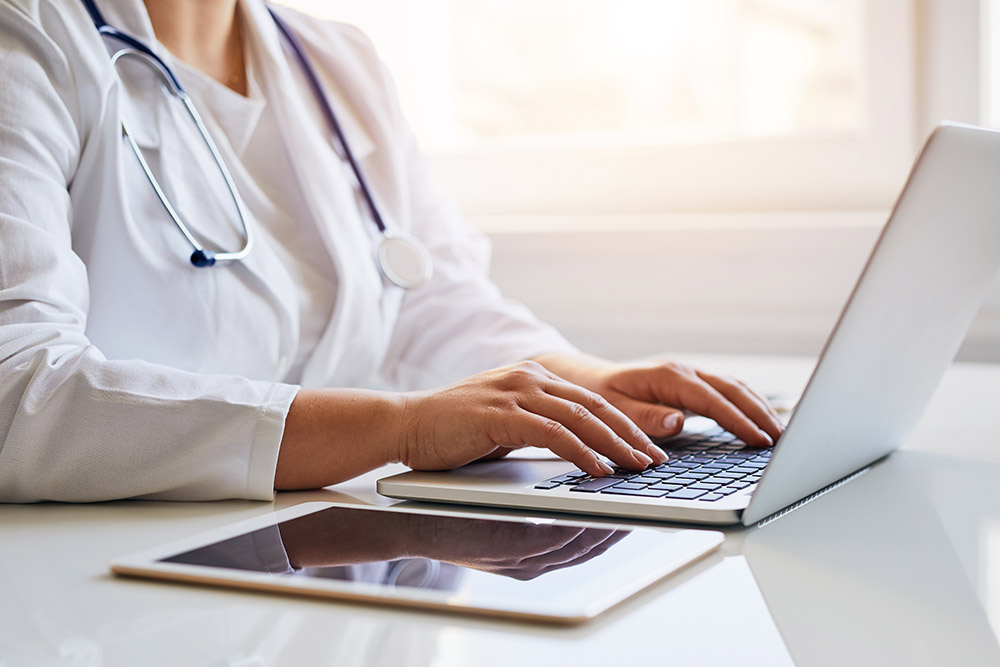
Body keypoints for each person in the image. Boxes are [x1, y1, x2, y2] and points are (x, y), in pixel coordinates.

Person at [0, 0, 784, 503]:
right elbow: (17, 390)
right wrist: (401, 428)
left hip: (315, 546)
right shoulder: (28, 36)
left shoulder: (334, 58)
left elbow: (431, 302)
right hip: (106, 585)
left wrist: (582, 381)